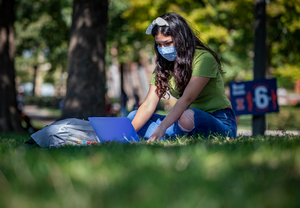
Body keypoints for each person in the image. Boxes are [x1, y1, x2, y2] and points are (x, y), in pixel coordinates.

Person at [127, 13, 237, 142]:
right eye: (159, 44)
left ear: (182, 38)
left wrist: (162, 127)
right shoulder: (163, 66)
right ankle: (172, 136)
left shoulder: (204, 58)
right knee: (133, 117)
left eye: (168, 43)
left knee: (187, 117)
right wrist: (126, 134)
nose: (163, 49)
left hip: (219, 120)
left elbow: (186, 99)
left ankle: (166, 136)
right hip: (180, 120)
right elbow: (148, 105)